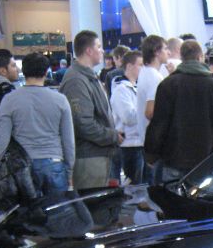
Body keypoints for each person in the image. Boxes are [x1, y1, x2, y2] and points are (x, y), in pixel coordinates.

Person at [144, 40, 213, 181]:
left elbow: (159, 124)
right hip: (206, 162)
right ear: (200, 57)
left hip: (174, 161)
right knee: (203, 196)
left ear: (182, 57)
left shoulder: (167, 85)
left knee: (172, 195)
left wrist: (151, 155)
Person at [0, 52, 75, 195]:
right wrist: (69, 171)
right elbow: (68, 140)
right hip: (54, 162)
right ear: (46, 72)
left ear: (23, 71)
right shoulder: (60, 100)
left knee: (29, 208)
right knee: (57, 207)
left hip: (23, 165)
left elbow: (2, 139)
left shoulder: (9, 100)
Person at [60, 30, 120, 190]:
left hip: (99, 154)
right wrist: (112, 136)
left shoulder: (89, 77)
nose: (102, 51)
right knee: (92, 202)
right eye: (99, 47)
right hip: (89, 157)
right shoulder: (76, 80)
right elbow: (83, 124)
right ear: (89, 50)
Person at [110, 50, 145, 184]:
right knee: (133, 186)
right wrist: (146, 110)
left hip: (139, 143)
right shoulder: (121, 90)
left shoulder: (136, 87)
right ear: (129, 66)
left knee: (141, 184)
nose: (143, 69)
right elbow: (128, 117)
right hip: (129, 145)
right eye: (140, 65)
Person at [136, 35, 167, 184]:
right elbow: (150, 112)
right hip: (155, 143)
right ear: (156, 51)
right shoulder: (154, 77)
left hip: (147, 140)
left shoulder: (145, 72)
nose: (168, 52)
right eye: (165, 48)